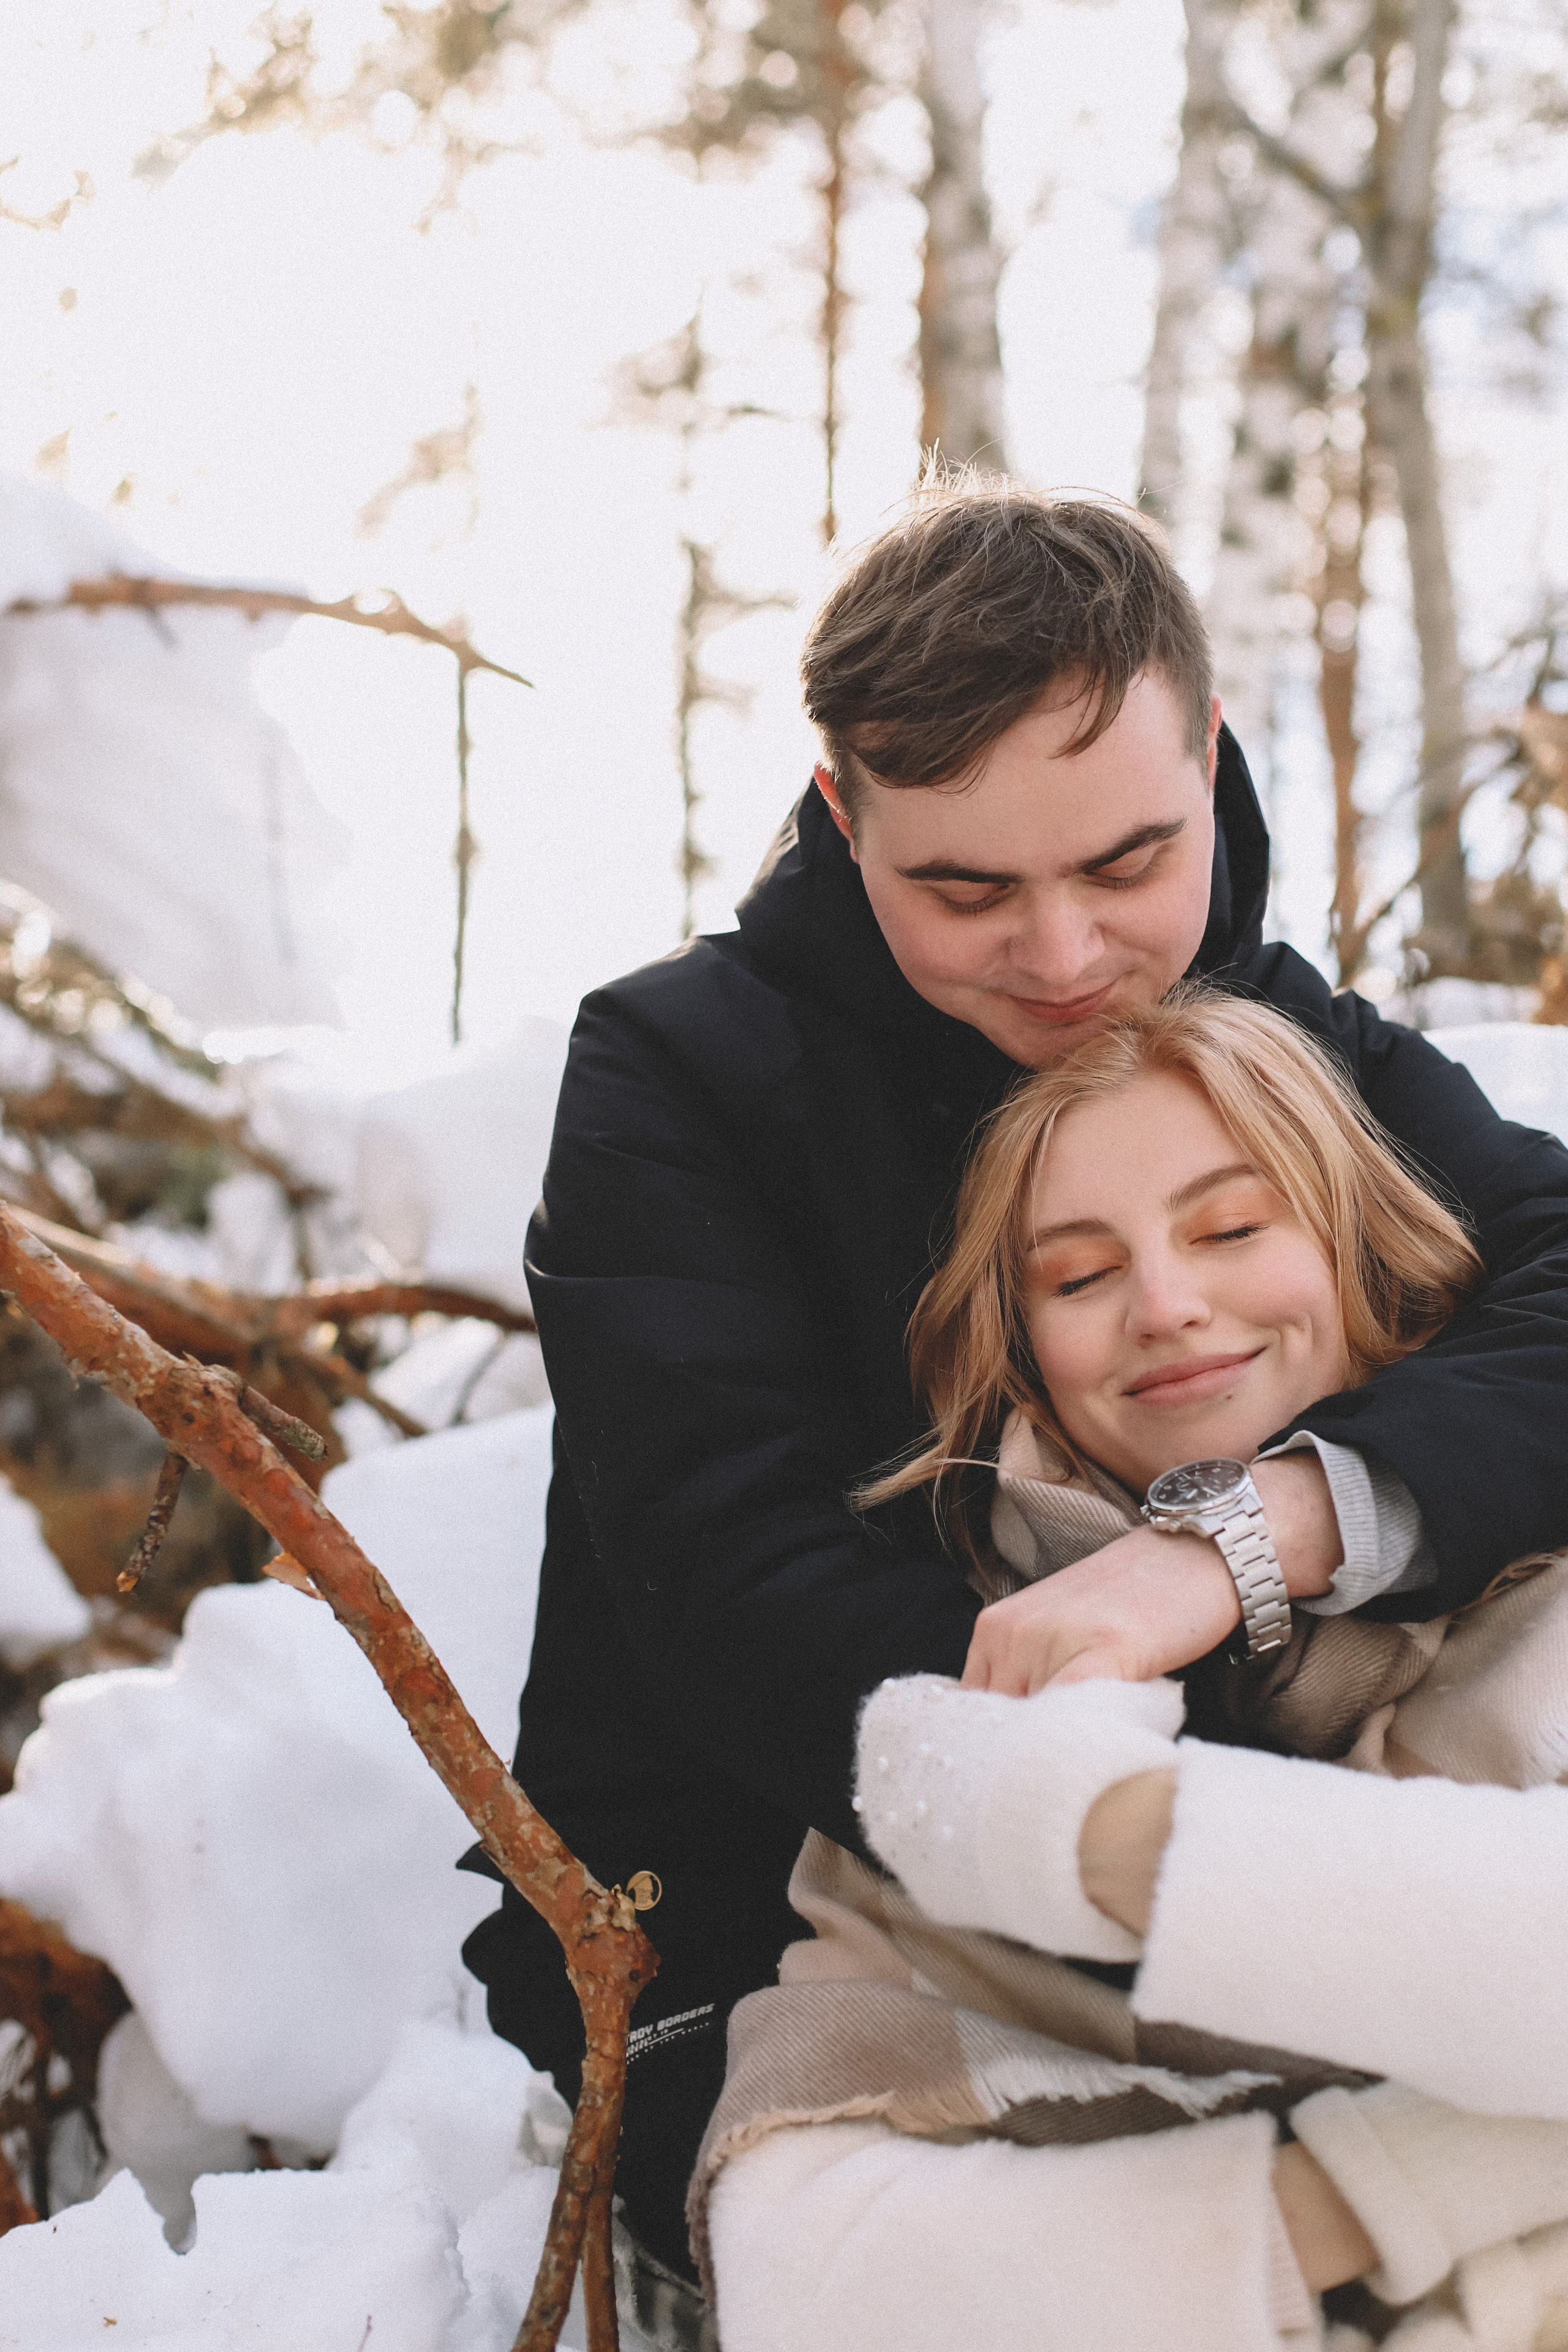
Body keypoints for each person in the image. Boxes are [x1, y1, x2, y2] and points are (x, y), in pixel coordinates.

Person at [461, 481, 1568, 2283]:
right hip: (774, 1891)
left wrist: (1242, 1535)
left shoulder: (1287, 1038)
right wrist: (1203, 1833)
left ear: (1208, 760)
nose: (1064, 958)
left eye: (1127, 863)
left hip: (1346, 1830)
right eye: (965, 888)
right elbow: (737, 1596)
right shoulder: (686, 1078)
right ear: (844, 814)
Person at [691, 991, 1568, 2349]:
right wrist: (1376, 2192)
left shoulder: (1549, 1602)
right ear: (1020, 1350)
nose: (1163, 1305)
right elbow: (819, 2279)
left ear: (1357, 1252)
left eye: (1229, 1229)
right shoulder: (960, 1698)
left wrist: (1104, 1848)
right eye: (1078, 1275)